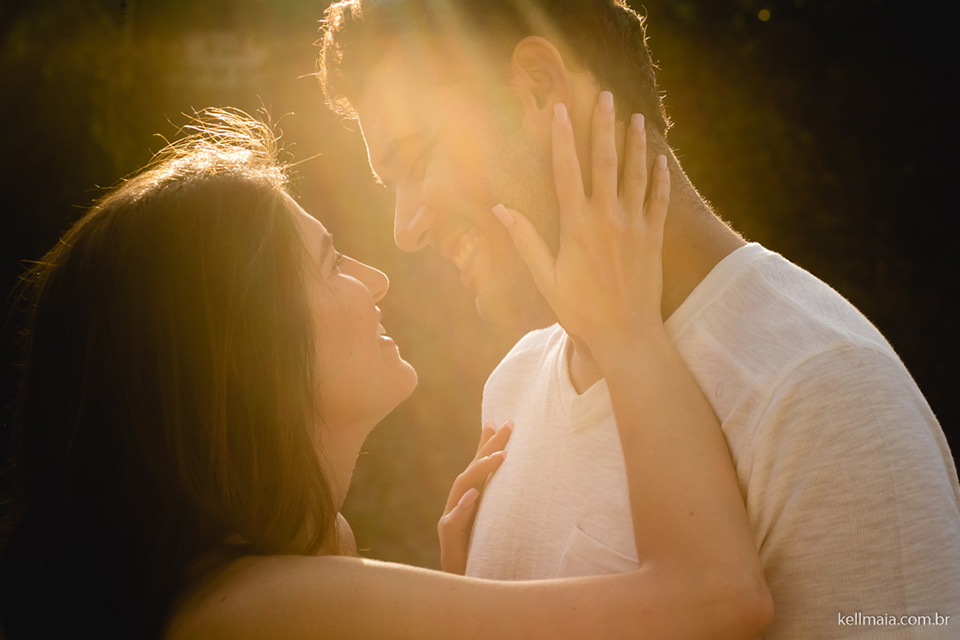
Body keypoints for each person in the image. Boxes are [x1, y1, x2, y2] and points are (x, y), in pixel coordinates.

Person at [0, 108, 771, 638]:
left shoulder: (271, 577)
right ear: (247, 352)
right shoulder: (263, 606)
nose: (376, 278)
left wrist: (455, 599)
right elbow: (718, 601)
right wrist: (626, 328)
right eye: (332, 263)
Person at [317, 0, 960, 637]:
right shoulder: (512, 385)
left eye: (416, 156)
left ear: (540, 88)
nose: (405, 229)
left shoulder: (827, 393)